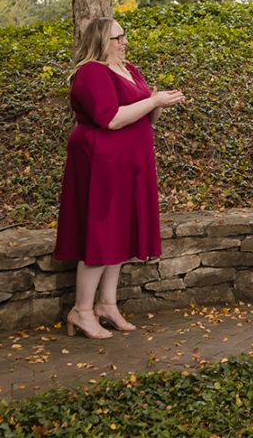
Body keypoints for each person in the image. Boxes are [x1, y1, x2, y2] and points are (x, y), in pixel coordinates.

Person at [54, 18, 186, 339]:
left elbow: (145, 114)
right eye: (117, 37)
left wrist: (157, 102)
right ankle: (81, 311)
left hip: (131, 163)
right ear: (100, 41)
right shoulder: (92, 72)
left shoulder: (129, 68)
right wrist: (151, 101)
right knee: (101, 234)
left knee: (121, 234)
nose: (124, 42)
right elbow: (110, 119)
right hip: (102, 163)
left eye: (124, 36)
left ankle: (106, 305)